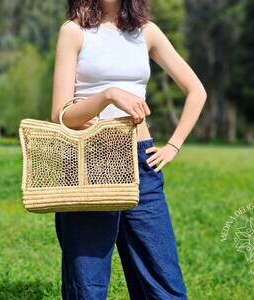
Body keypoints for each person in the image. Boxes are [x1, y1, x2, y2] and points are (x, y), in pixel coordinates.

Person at [51, 0, 207, 298]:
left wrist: (173, 145)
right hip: (90, 162)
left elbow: (196, 90)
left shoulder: (146, 32)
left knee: (164, 285)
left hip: (141, 162)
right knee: (87, 286)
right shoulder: (74, 31)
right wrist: (108, 96)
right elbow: (61, 114)